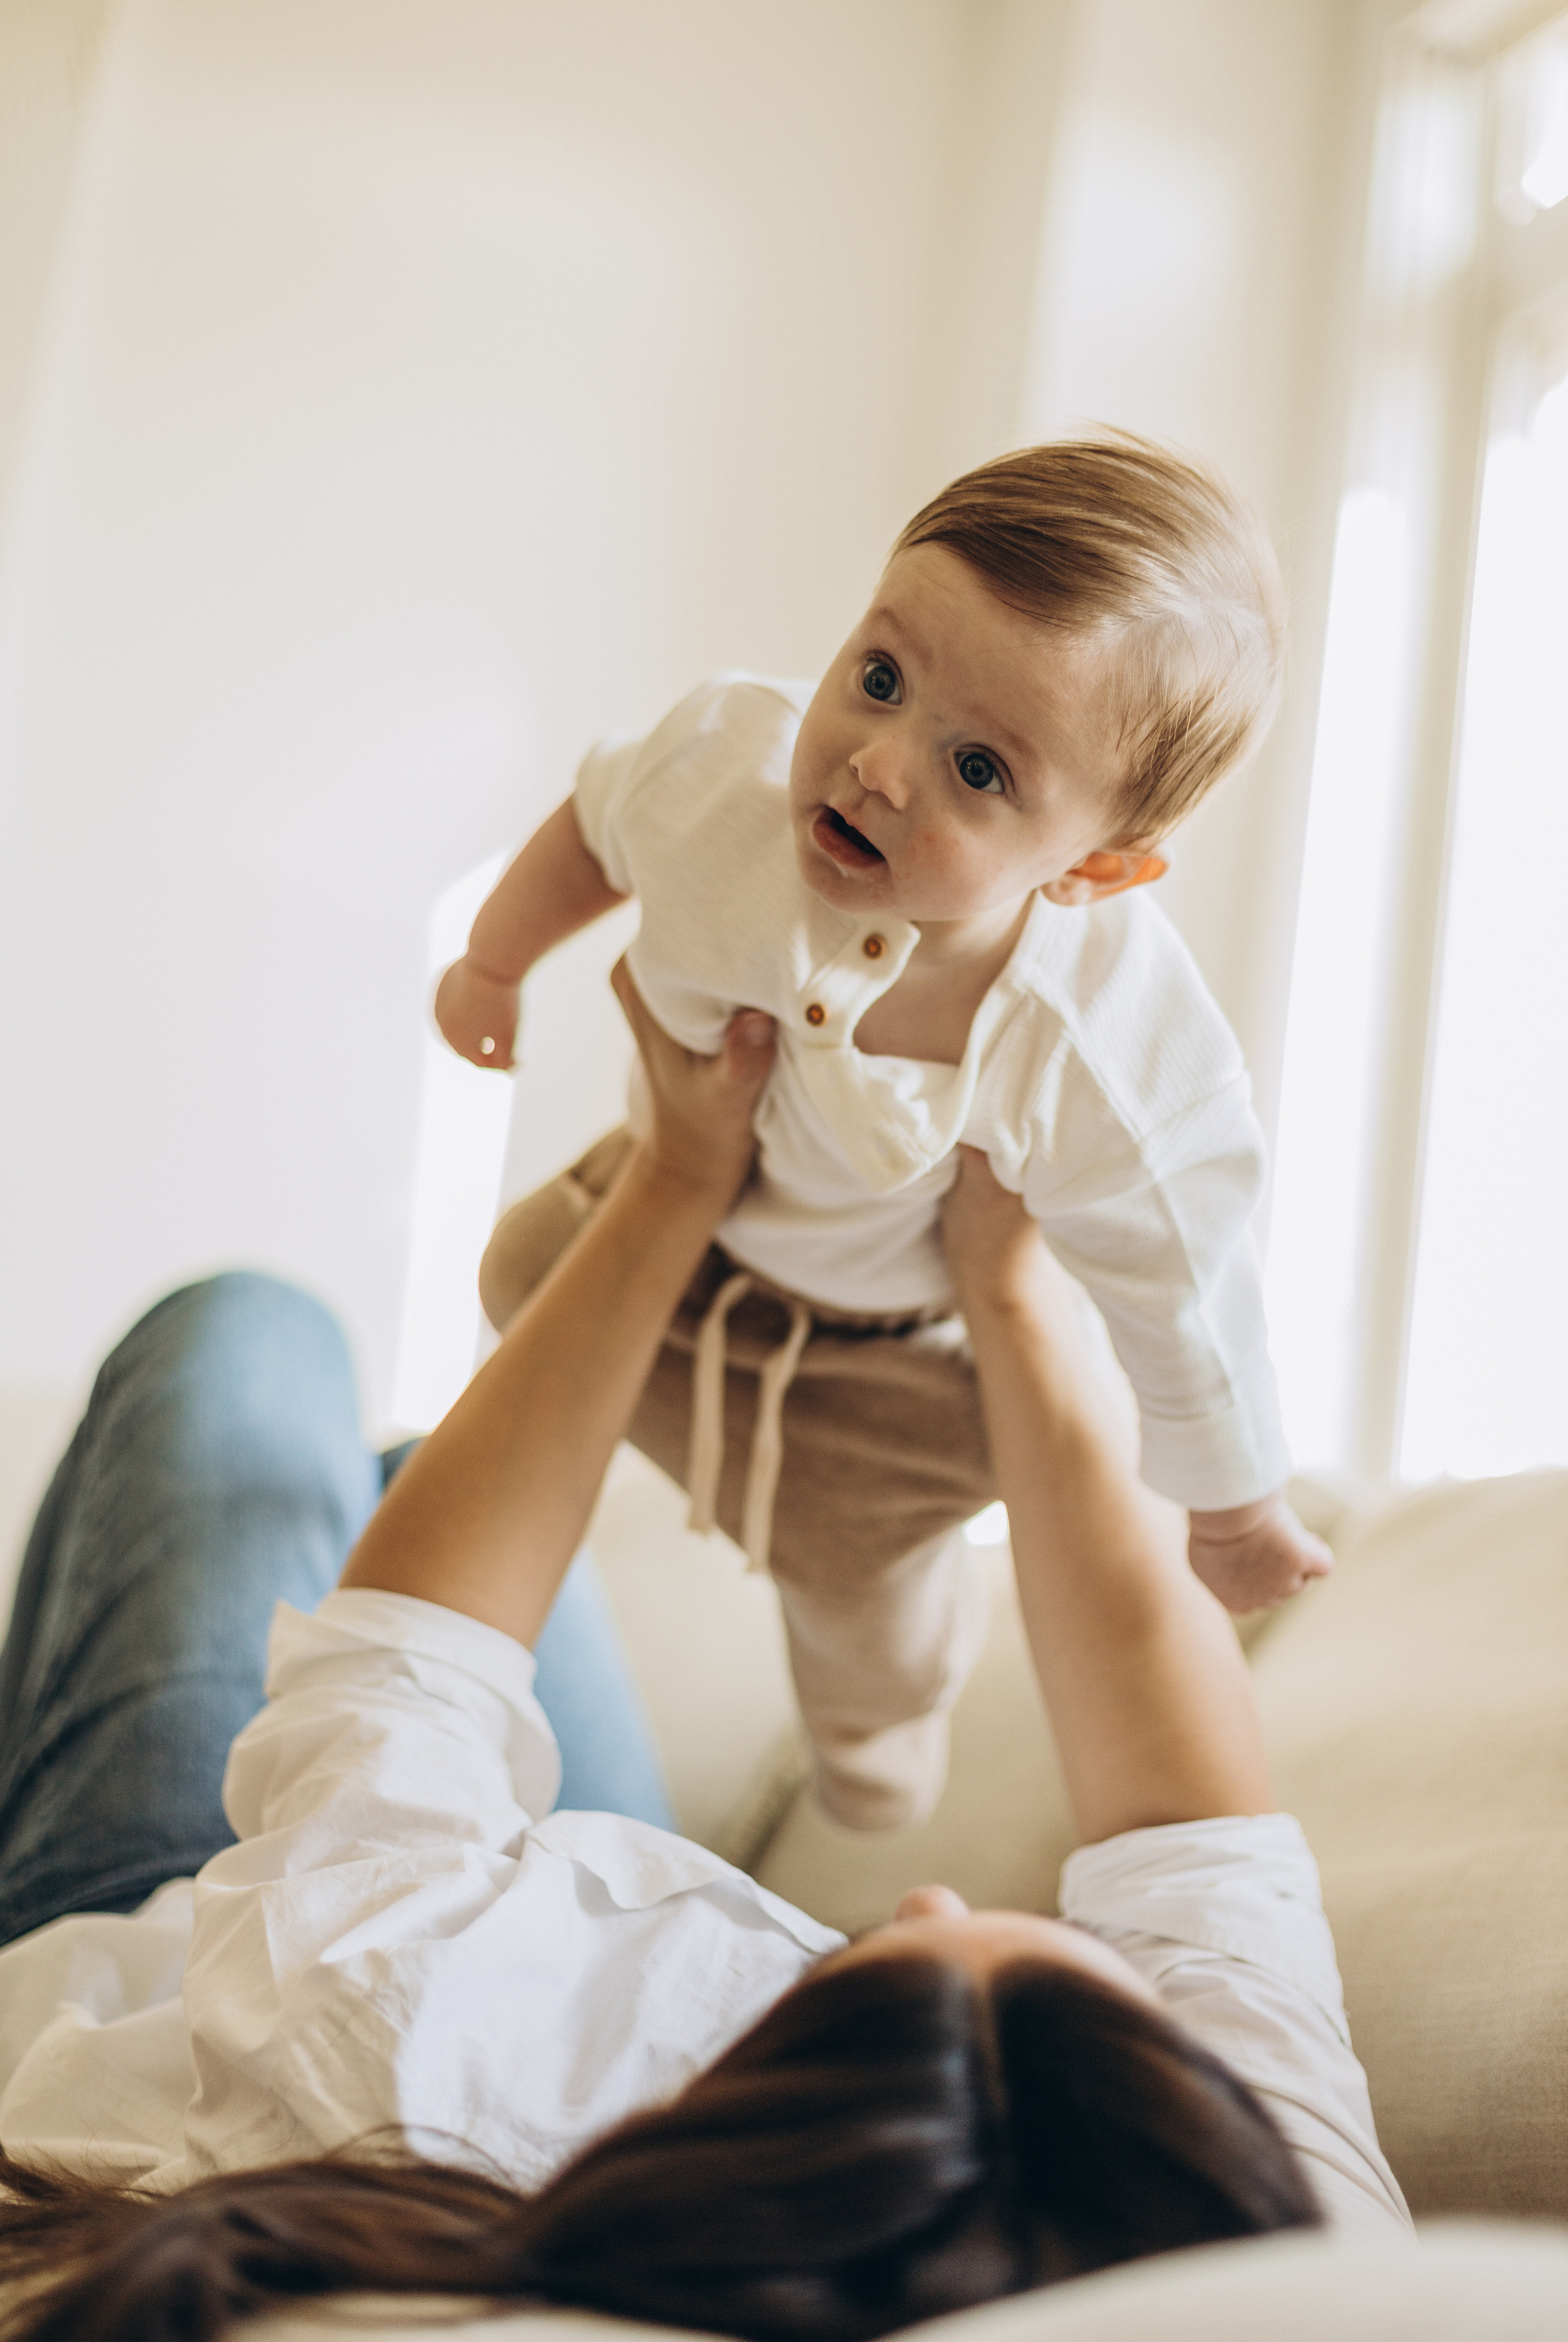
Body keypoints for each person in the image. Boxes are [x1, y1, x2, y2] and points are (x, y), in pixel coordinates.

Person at [0, 969, 1407, 2342]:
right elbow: (1193, 1838)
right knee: (420, 1466)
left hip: (151, 2004)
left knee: (251, 1337)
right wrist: (1004, 1278)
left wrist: (675, 1176)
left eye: (880, 1967)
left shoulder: (404, 2040)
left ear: (738, 2104)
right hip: (458, 1935)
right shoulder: (1269, 2235)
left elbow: (405, 1658)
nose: (928, 1893)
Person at [437, 433, 1332, 1834]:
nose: (878, 765)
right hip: (659, 1224)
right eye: (879, 676)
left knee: (867, 1620)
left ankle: (868, 1750)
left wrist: (1229, 1502)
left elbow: (1183, 1262)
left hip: (883, 1366)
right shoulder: (721, 763)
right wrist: (494, 961)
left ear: (1093, 868)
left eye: (977, 767)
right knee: (506, 1277)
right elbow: (595, 826)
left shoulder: (1095, 1037)